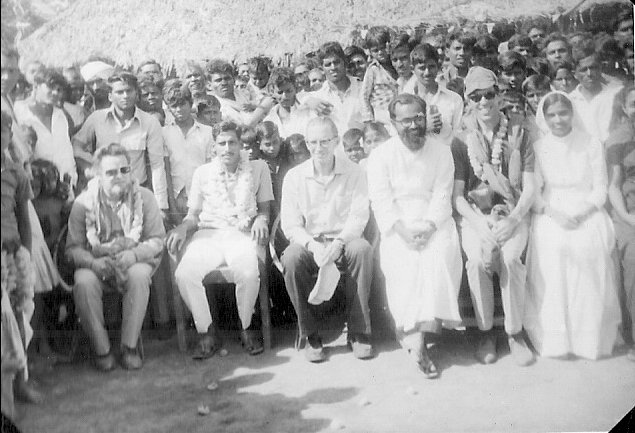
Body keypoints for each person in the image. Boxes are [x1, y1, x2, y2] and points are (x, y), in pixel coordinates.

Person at [366, 93, 462, 378]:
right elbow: (381, 201)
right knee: (404, 263)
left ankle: (417, 338)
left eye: (418, 118)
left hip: (436, 221)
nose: (413, 125)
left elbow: (443, 193)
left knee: (438, 257)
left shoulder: (442, 151)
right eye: (406, 120)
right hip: (399, 225)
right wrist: (404, 232)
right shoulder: (380, 155)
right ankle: (415, 336)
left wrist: (430, 226)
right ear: (394, 123)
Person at [524, 91, 621, 360]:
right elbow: (536, 192)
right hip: (552, 209)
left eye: (563, 113)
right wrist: (554, 213)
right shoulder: (539, 147)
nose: (558, 120)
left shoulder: (590, 143)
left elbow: (600, 187)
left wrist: (584, 212)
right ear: (544, 118)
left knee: (588, 250)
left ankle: (587, 339)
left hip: (587, 208)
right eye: (551, 115)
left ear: (572, 114)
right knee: (554, 251)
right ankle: (559, 340)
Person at [452, 67, 536, 366]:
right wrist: (480, 224)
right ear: (467, 99)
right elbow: (458, 198)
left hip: (513, 212)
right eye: (476, 96)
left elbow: (530, 187)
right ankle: (485, 331)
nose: (484, 102)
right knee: (476, 260)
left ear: (499, 96)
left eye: (489, 94)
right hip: (476, 217)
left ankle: (514, 333)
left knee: (511, 258)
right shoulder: (461, 140)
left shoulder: (519, 133)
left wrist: (513, 219)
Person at [168, 120, 272, 358]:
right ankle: (207, 331)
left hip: (242, 234)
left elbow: (265, 209)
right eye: (221, 143)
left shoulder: (258, 168)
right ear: (214, 147)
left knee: (247, 272)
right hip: (209, 234)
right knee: (185, 274)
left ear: (241, 144)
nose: (227, 148)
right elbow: (193, 215)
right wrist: (183, 228)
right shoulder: (202, 173)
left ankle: (246, 327)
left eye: (232, 142)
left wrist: (261, 220)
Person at [280, 116, 373, 363]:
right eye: (312, 143)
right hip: (311, 243)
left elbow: (359, 216)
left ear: (335, 142)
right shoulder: (294, 177)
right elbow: (290, 224)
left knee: (362, 250)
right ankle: (310, 334)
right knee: (291, 258)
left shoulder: (354, 172)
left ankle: (358, 332)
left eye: (324, 142)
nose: (318, 148)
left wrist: (339, 242)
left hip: (344, 240)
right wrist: (312, 245)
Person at [66, 143, 165, 371]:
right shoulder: (83, 203)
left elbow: (157, 240)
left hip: (131, 261)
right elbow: (72, 249)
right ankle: (102, 351)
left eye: (123, 170)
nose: (118, 177)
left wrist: (134, 254)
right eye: (110, 172)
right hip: (97, 263)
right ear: (98, 176)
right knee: (83, 282)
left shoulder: (145, 197)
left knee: (139, 275)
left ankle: (128, 347)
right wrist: (93, 262)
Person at [72, 70, 169, 213]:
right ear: (110, 96)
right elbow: (76, 146)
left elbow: (157, 166)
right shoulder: (96, 119)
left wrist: (161, 206)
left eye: (129, 91)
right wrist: (94, 165)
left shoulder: (150, 123)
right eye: (119, 92)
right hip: (104, 193)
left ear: (136, 94)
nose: (125, 96)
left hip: (135, 193)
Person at [1, 111, 42, 415]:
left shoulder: (16, 172)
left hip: (12, 255)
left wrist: (25, 253)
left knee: (18, 316)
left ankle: (21, 382)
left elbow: (24, 220)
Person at [606, 84, 635, 361]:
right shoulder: (619, 139)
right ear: (625, 108)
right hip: (629, 210)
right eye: (634, 104)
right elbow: (614, 186)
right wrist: (628, 217)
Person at [13, 68, 77, 188]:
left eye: (59, 90)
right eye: (50, 87)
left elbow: (66, 151)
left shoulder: (61, 116)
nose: (55, 93)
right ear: (36, 86)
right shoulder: (19, 113)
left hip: (65, 186)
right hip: (36, 187)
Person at [162, 79, 214, 222]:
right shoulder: (164, 133)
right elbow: (165, 170)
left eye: (182, 104)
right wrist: (171, 205)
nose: (178, 110)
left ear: (190, 103)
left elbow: (210, 168)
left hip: (202, 196)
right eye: (174, 106)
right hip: (176, 196)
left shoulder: (207, 132)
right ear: (168, 108)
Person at [403, 44, 464, 146]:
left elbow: (459, 137)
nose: (427, 72)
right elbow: (398, 137)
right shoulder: (404, 101)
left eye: (431, 67)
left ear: (438, 67)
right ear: (412, 69)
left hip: (445, 158)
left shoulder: (454, 99)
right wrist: (424, 128)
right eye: (422, 68)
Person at [301, 42, 364, 139]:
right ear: (322, 69)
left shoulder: (362, 89)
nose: (333, 67)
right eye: (328, 64)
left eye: (336, 62)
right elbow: (295, 100)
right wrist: (308, 100)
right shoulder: (319, 98)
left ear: (344, 63)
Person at [568, 50, 623, 143]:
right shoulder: (569, 100)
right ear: (575, 74)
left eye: (593, 68)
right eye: (583, 70)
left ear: (600, 69)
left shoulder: (616, 96)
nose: (589, 74)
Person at [205, 59, 275, 128]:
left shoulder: (245, 93)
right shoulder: (216, 107)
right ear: (209, 85)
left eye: (227, 78)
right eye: (218, 80)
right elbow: (245, 128)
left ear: (234, 79)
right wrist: (262, 108)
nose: (224, 83)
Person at [360, 26, 399, 128]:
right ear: (370, 52)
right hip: (381, 117)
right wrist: (369, 121)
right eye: (376, 50)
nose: (380, 52)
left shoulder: (396, 65)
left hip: (399, 114)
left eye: (382, 48)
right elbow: (364, 96)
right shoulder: (373, 70)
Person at [264, 67, 312, 139]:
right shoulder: (270, 120)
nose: (285, 96)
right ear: (272, 92)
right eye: (280, 92)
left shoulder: (308, 111)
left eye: (289, 91)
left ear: (295, 88)